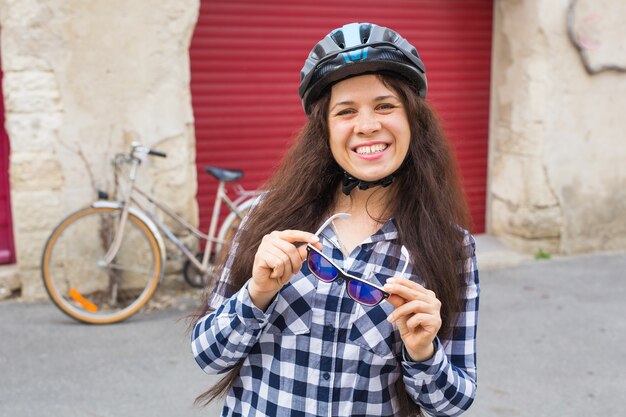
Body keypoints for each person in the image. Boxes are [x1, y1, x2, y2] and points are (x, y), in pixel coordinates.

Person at [191, 22, 479, 417]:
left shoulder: (452, 246)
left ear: (413, 119)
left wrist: (423, 351)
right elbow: (208, 356)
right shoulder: (265, 217)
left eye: (385, 106)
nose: (367, 125)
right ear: (324, 130)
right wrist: (256, 293)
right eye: (346, 111)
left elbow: (454, 402)